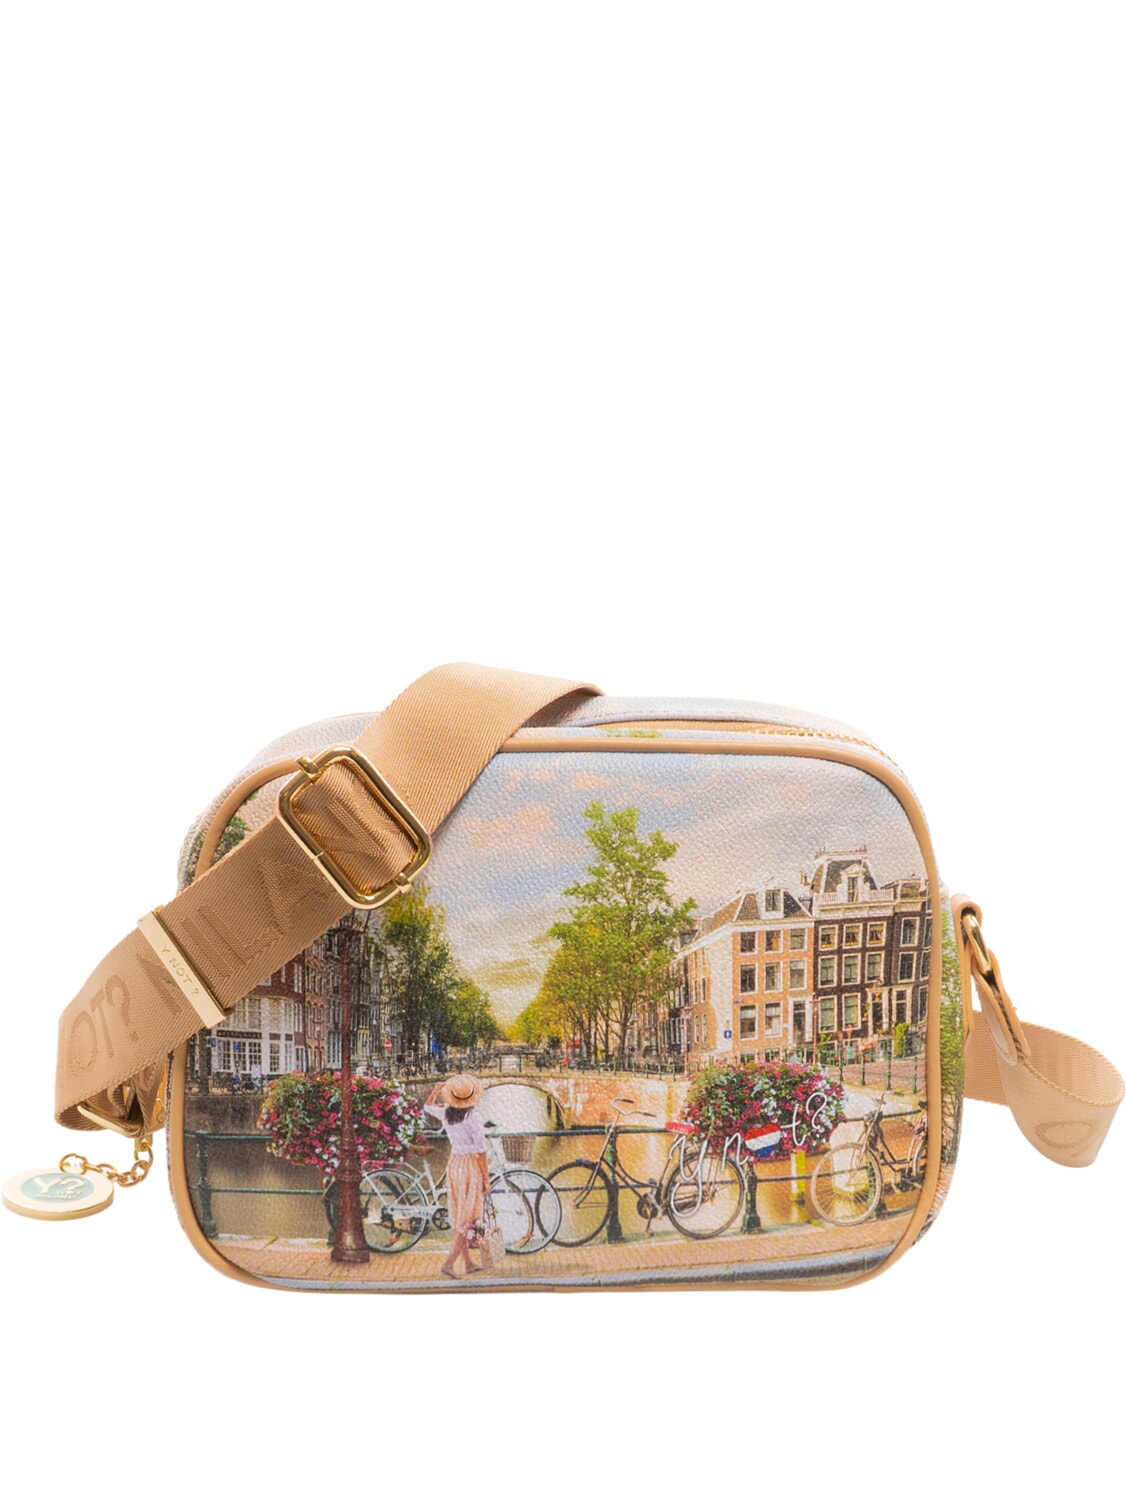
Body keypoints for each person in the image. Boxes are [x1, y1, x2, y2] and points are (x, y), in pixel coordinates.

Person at [424, 1074, 491, 1279]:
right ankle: (448, 1264)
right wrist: (486, 1178)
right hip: (470, 1166)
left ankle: (468, 1263)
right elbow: (480, 1151)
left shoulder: (447, 1113)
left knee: (461, 1215)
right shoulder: (473, 1117)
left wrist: (436, 1090)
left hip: (455, 1164)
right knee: (469, 1217)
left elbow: (427, 1107)